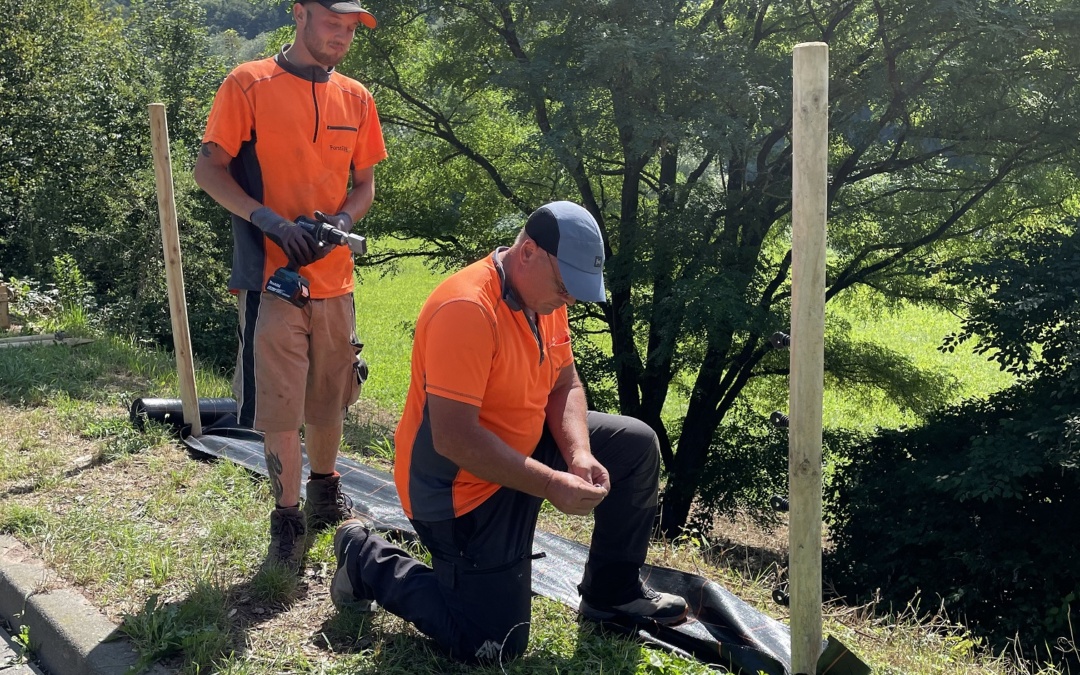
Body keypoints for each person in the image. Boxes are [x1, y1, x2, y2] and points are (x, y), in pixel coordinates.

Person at [329, 201, 689, 662]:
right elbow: (455, 439)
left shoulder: (545, 298)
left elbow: (565, 383)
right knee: (494, 646)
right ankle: (363, 557)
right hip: (459, 492)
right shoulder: (467, 308)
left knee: (635, 444)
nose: (571, 301)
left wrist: (578, 453)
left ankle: (610, 596)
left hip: (521, 448)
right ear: (528, 252)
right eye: (565, 286)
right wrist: (549, 482)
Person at [193, 0, 387, 571]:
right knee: (279, 405)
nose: (343, 37)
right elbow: (209, 169)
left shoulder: (357, 98)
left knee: (331, 393)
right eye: (334, 23)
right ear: (299, 13)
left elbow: (365, 184)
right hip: (268, 279)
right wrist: (268, 220)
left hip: (334, 280)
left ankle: (326, 493)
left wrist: (343, 224)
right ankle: (287, 517)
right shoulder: (248, 83)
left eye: (352, 29)